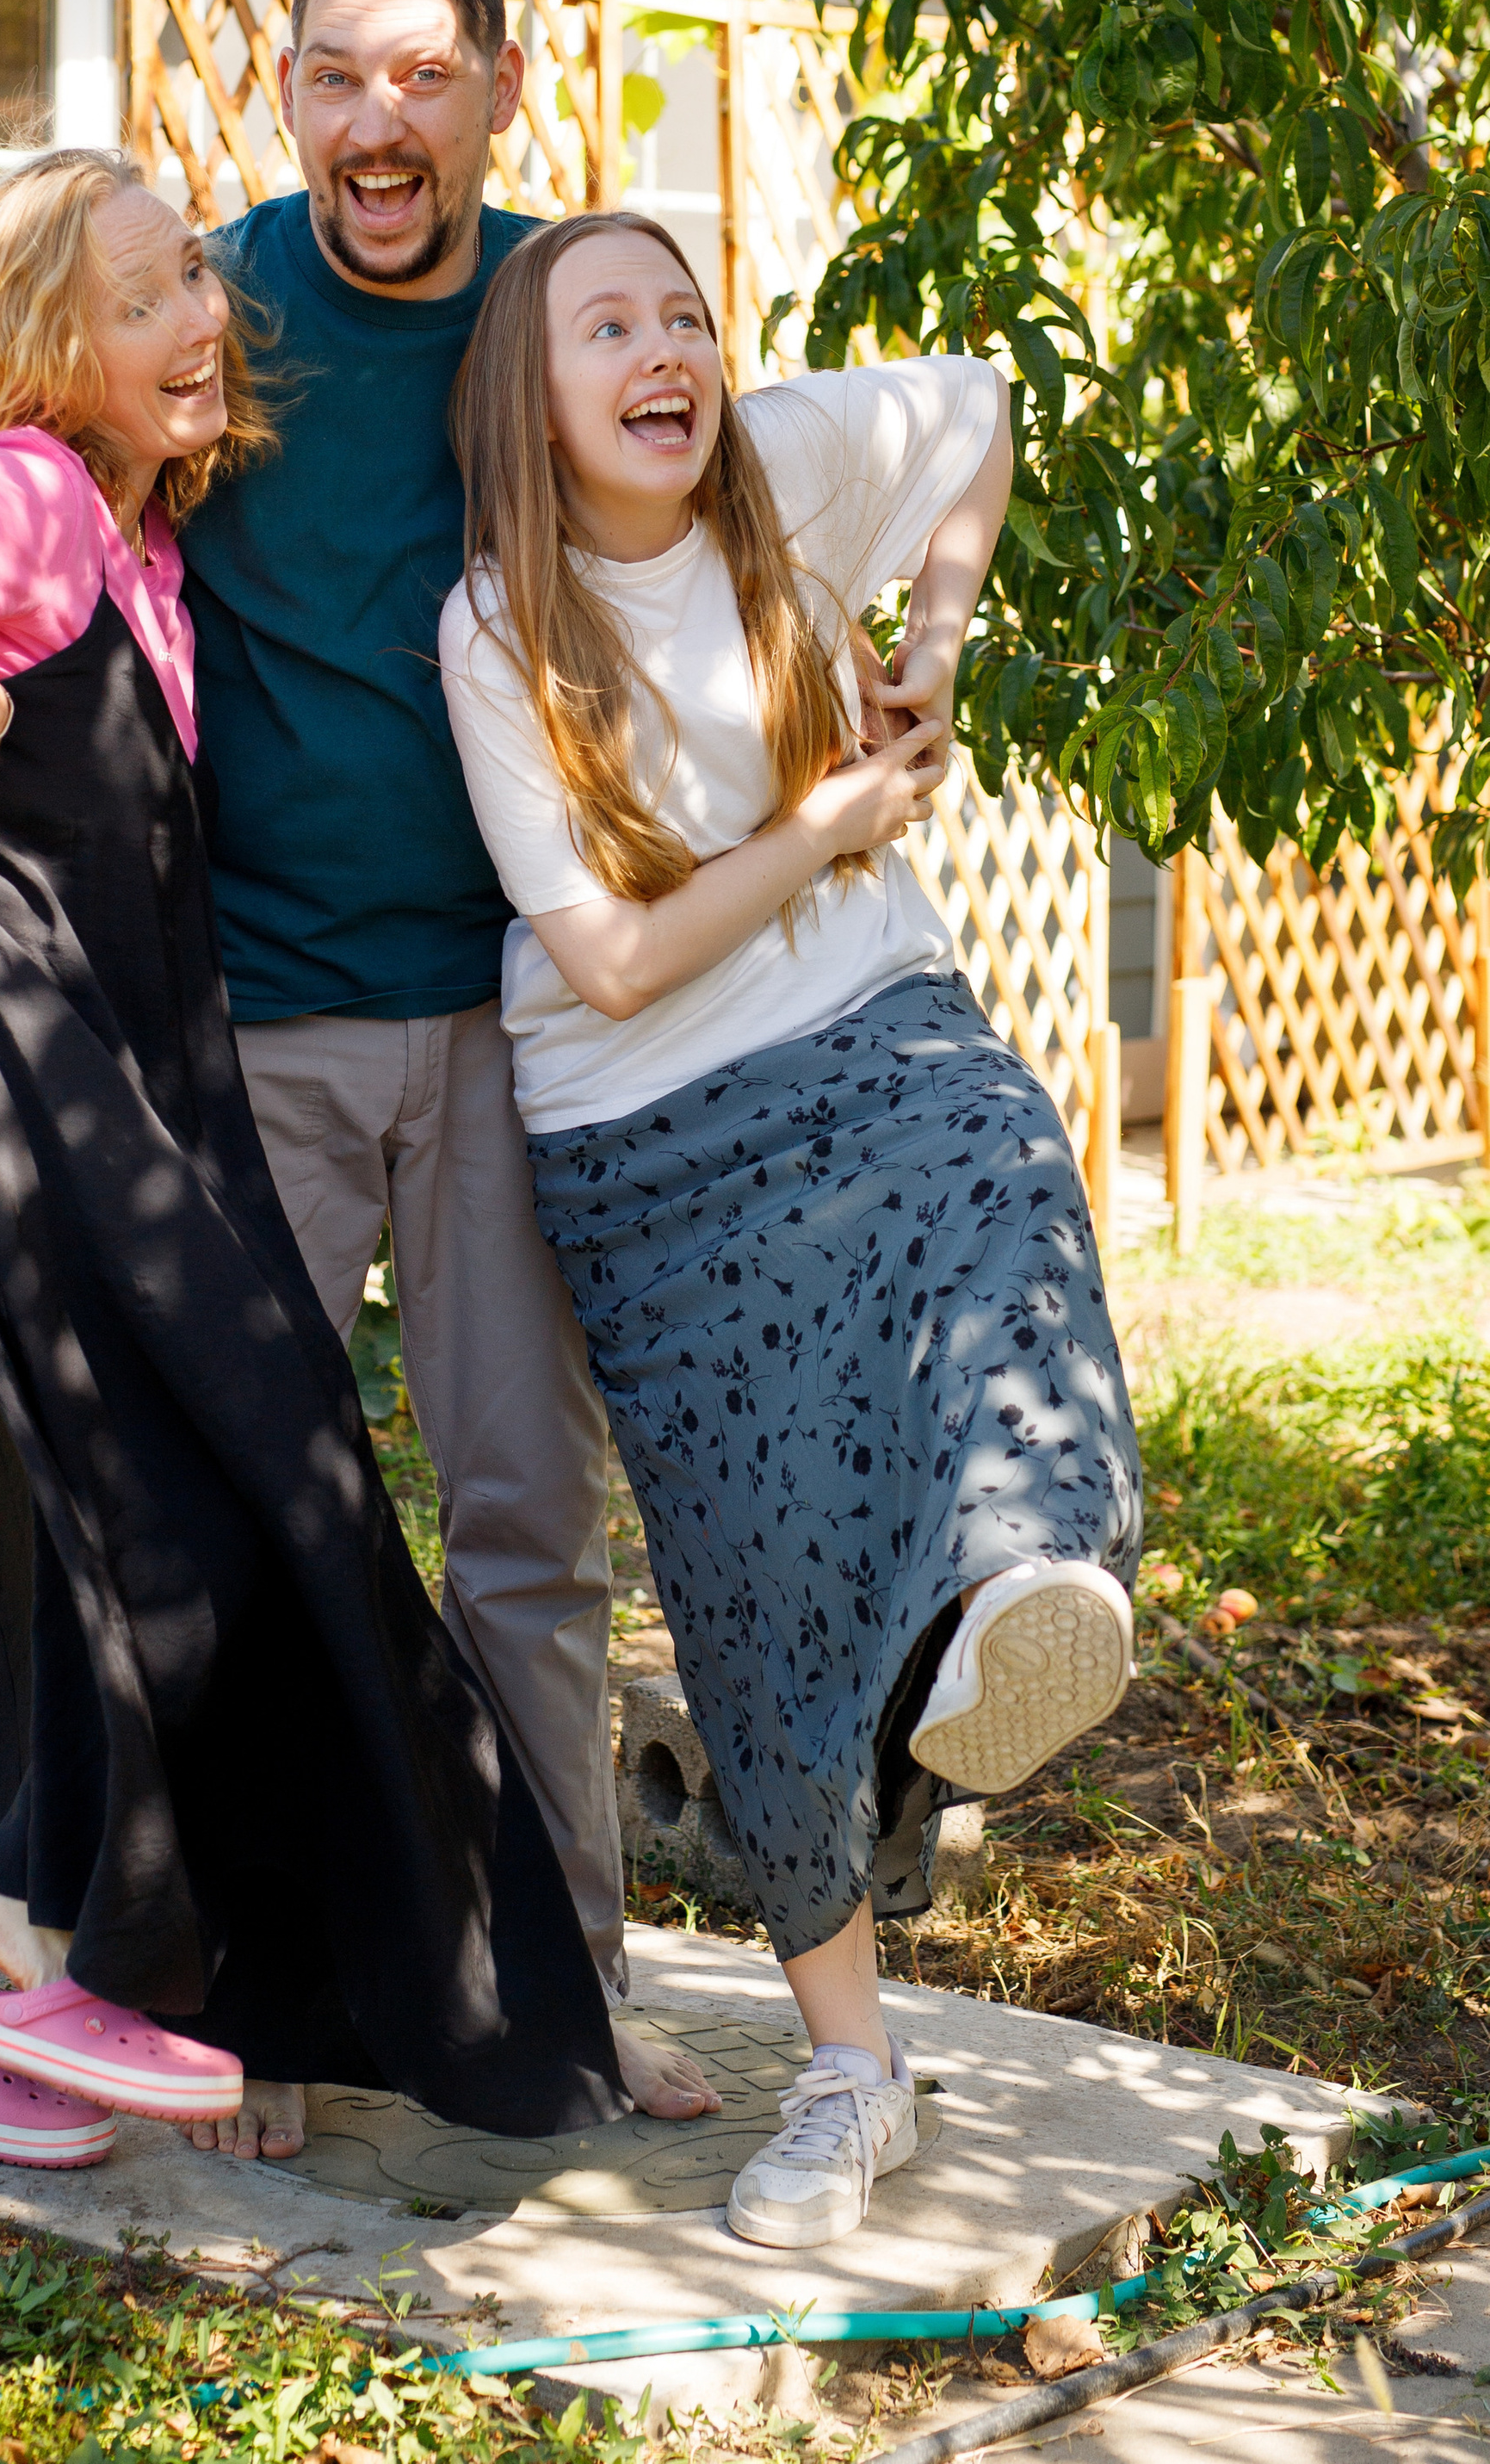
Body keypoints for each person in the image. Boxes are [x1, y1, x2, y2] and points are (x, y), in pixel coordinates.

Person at [0, 0, 718, 2154]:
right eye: (336, 78)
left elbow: (739, 488)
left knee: (521, 1534)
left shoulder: (559, 305)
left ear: (498, 88)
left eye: (423, 78)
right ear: (291, 96)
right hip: (240, 1039)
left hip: (491, 1020)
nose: (379, 121)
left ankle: (560, 1996)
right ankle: (246, 2005)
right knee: (236, 1525)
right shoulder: (213, 297)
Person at [439, 211, 1144, 2250]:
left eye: (681, 316)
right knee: (748, 1588)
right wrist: (824, 822)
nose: (662, 352)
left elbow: (983, 411)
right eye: (608, 328)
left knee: (1004, 1174)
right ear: (535, 392)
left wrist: (929, 645)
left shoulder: (784, 466)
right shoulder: (494, 630)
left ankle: (1019, 1590)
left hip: (869, 1019)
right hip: (644, 1134)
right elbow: (615, 957)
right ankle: (849, 2072)